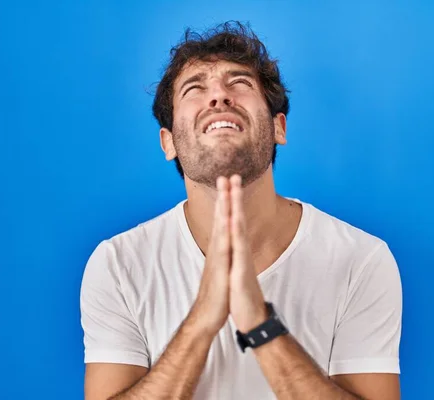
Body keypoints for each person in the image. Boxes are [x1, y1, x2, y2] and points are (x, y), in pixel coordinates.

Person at [80, 21, 402, 400]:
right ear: (169, 143)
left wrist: (259, 324)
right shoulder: (118, 264)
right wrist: (203, 319)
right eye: (194, 88)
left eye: (240, 84)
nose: (218, 96)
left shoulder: (360, 259)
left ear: (278, 127)